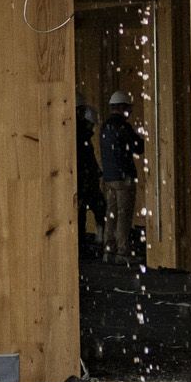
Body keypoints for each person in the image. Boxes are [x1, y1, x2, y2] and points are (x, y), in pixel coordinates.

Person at [98, 91, 143, 266]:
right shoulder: (123, 127)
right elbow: (138, 148)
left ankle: (108, 250)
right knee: (124, 216)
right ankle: (122, 252)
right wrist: (140, 138)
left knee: (111, 214)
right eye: (128, 108)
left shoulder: (105, 127)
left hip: (109, 178)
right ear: (123, 107)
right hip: (124, 178)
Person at [75, 101, 105, 255]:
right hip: (86, 182)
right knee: (93, 210)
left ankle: (82, 245)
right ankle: (83, 245)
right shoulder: (81, 138)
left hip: (85, 182)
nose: (93, 128)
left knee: (83, 213)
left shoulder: (79, 136)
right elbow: (85, 160)